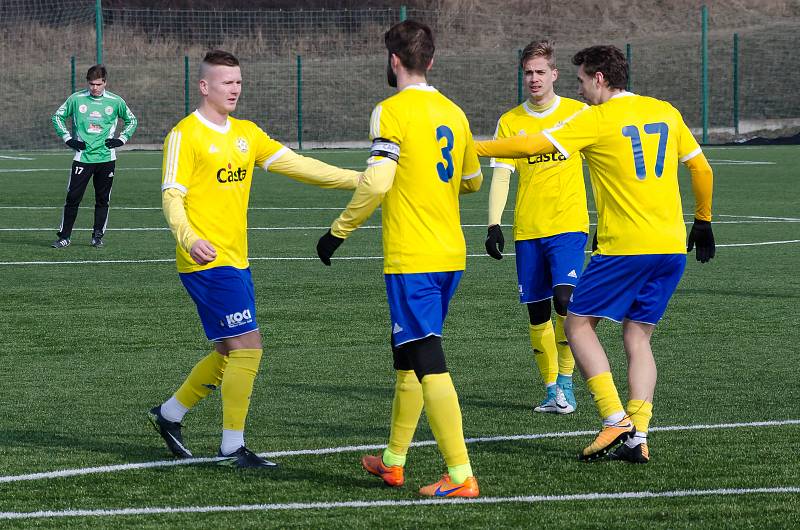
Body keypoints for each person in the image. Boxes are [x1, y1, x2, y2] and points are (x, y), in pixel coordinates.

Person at [475, 45, 715, 464]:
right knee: (637, 337)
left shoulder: (594, 120)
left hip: (625, 247)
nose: (580, 89)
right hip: (671, 246)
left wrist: (470, 147)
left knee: (577, 322)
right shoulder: (666, 110)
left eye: (583, 80)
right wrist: (703, 221)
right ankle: (638, 434)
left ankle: (612, 417)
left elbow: (529, 145)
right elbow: (701, 169)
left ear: (600, 78)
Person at [149, 50, 362, 468]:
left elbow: (298, 165)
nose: (235, 89)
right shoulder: (184, 135)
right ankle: (231, 446)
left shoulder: (247, 133)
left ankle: (169, 414)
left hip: (237, 259)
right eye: (227, 82)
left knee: (231, 349)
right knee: (249, 345)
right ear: (204, 86)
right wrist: (188, 237)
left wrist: (359, 180)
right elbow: (172, 196)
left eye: (239, 82)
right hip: (206, 261)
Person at [315, 20, 483, 497]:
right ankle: (393, 461)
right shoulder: (455, 112)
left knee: (427, 357)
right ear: (430, 61)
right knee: (408, 356)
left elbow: (377, 181)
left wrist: (337, 232)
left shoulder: (389, 111)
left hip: (414, 255)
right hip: (451, 252)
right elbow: (471, 181)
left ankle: (460, 476)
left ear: (393, 61)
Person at [485, 40, 588, 415]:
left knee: (566, 300)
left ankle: (566, 382)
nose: (534, 78)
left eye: (540, 71)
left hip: (568, 226)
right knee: (536, 311)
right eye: (528, 72)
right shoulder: (511, 121)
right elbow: (501, 176)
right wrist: (494, 223)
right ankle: (550, 389)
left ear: (554, 74)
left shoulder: (577, 114)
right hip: (528, 230)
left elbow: (606, 164)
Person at [51, 64, 138, 249]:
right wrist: (68, 139)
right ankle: (64, 236)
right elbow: (57, 117)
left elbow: (132, 120)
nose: (94, 88)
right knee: (73, 198)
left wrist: (121, 139)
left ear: (105, 82)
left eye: (98, 84)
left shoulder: (116, 102)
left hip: (106, 159)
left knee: (102, 199)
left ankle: (97, 236)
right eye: (91, 84)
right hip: (82, 158)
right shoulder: (76, 99)